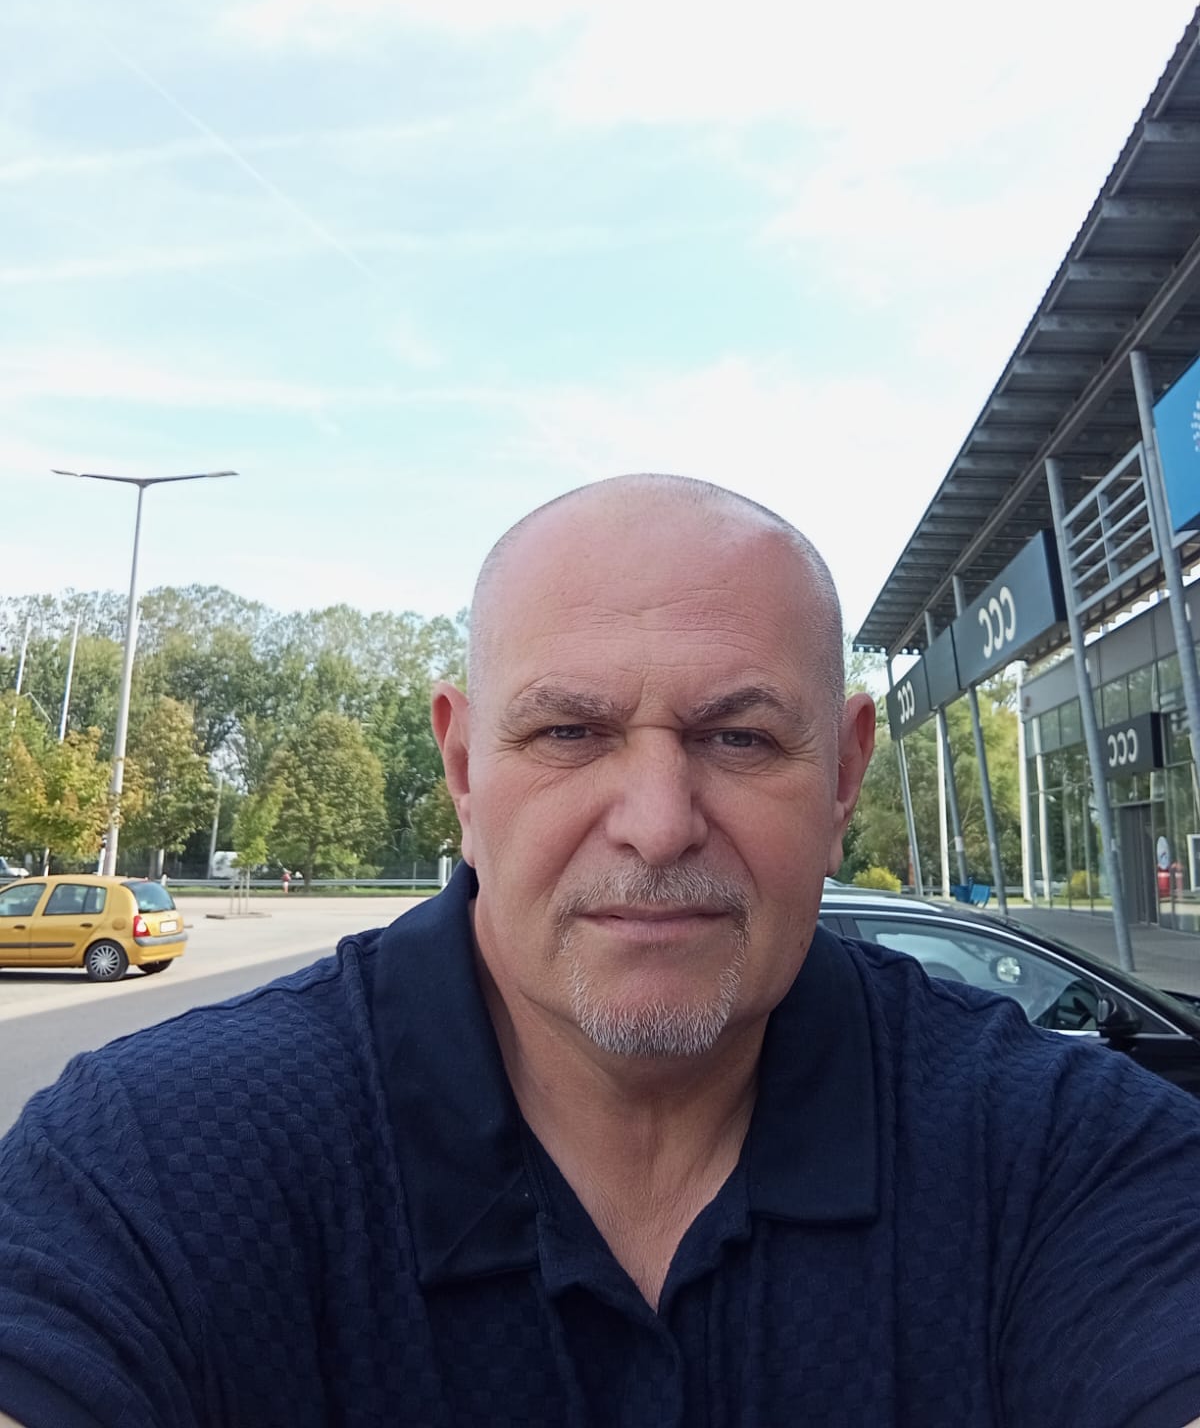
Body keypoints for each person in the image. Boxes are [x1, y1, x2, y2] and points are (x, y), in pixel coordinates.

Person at [0, 473, 1198, 1428]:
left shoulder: (1069, 1162)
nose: (658, 822)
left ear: (843, 777)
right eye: (571, 731)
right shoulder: (151, 1171)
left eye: (739, 737)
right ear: (464, 771)